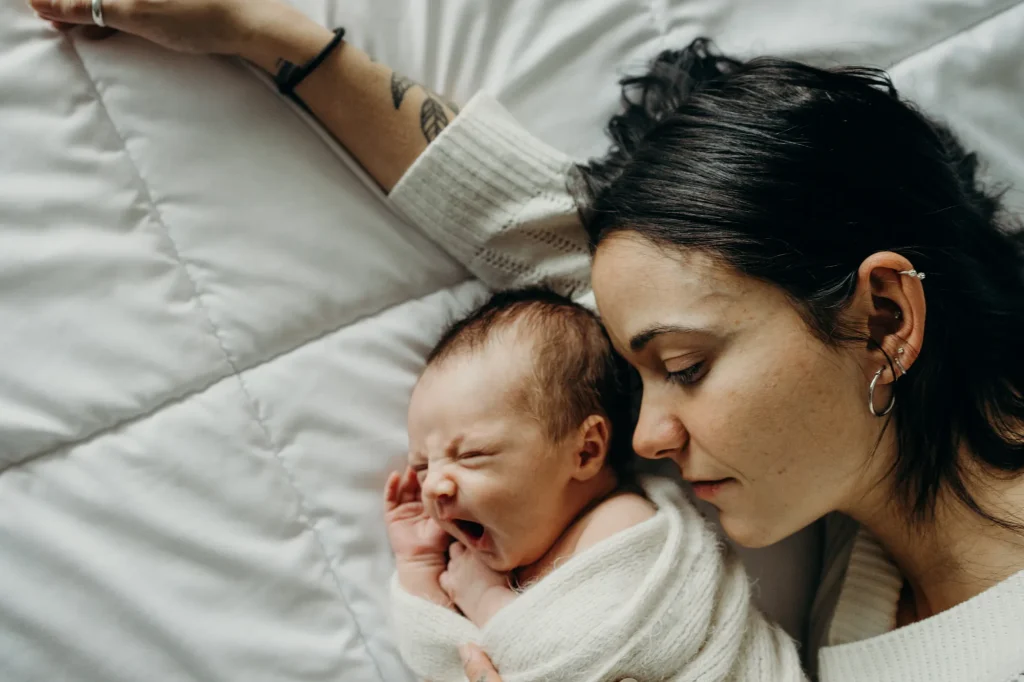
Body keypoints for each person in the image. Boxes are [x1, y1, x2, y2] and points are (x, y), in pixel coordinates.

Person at [31, 1, 1024, 681]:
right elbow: (552, 242)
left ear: (886, 318)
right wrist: (267, 35)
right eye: (647, 371)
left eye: (681, 370)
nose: (647, 434)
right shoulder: (872, 553)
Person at [383, 288, 805, 681]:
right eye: (422, 466)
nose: (434, 486)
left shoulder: (624, 523)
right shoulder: (494, 562)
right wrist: (419, 567)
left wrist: (482, 601)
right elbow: (443, 661)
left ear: (584, 452)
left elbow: (584, 654)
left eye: (471, 455)